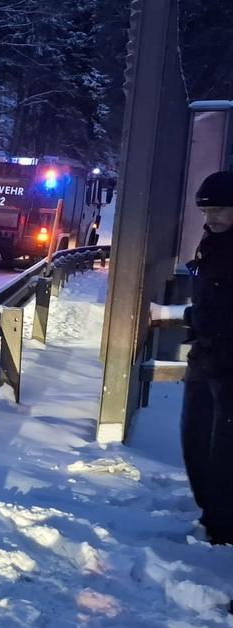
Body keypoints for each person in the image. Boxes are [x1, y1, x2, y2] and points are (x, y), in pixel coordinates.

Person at [152, 170, 233, 544]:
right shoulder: (210, 243)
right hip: (204, 355)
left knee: (224, 451)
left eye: (218, 210)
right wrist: (192, 319)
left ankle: (223, 529)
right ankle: (209, 515)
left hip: (230, 363)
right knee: (195, 439)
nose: (210, 218)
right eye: (206, 212)